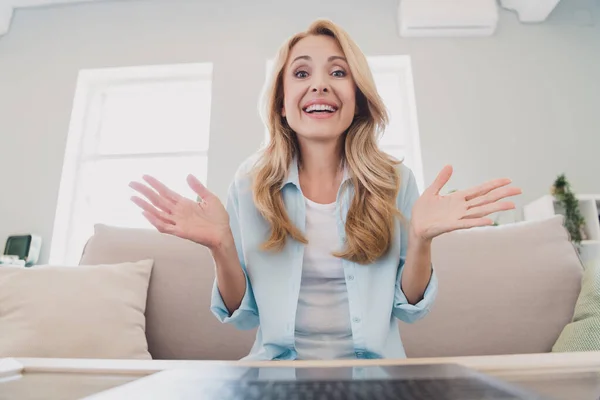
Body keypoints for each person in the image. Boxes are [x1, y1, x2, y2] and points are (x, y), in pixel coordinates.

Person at [129, 19, 521, 361]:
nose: (319, 84)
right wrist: (222, 246)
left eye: (338, 73)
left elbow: (410, 309)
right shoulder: (250, 183)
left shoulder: (394, 181)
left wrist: (420, 239)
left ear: (359, 99)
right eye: (301, 74)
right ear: (282, 103)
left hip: (375, 378)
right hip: (275, 376)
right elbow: (243, 314)